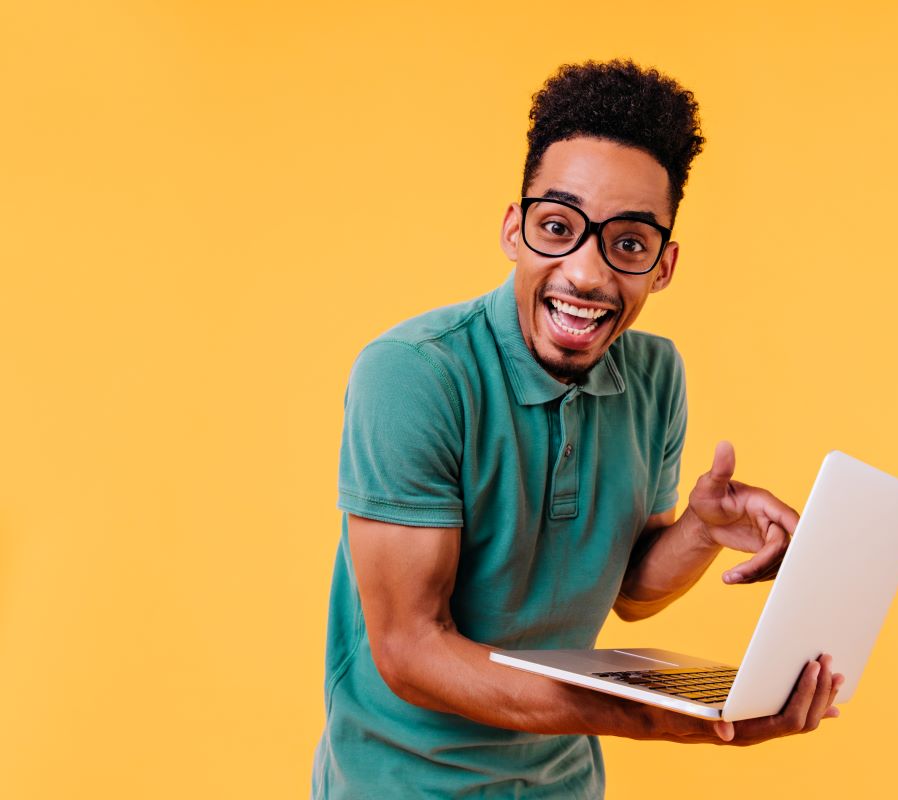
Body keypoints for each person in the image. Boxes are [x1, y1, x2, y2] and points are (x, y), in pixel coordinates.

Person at [311, 59, 842, 799]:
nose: (587, 275)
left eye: (628, 243)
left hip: (562, 782)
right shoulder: (413, 374)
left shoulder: (656, 377)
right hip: (402, 785)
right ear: (513, 229)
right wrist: (673, 720)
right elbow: (409, 650)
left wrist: (698, 527)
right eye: (558, 227)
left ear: (663, 266)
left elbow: (630, 592)